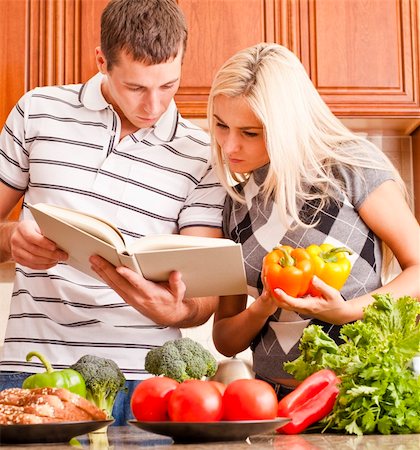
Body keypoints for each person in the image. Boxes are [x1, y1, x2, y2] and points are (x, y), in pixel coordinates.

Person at [0, 0, 225, 424]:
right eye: (137, 88)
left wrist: (178, 312)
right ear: (102, 61)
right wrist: (11, 239)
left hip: (148, 384)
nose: (154, 107)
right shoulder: (37, 112)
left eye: (169, 86)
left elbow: (204, 293)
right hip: (32, 370)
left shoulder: (202, 155)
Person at [208, 43, 420, 398]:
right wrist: (263, 306)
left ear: (286, 124)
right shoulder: (235, 204)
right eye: (220, 125)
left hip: (360, 392)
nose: (230, 147)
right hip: (272, 402)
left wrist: (347, 311)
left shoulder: (351, 167)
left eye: (250, 132)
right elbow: (226, 339)